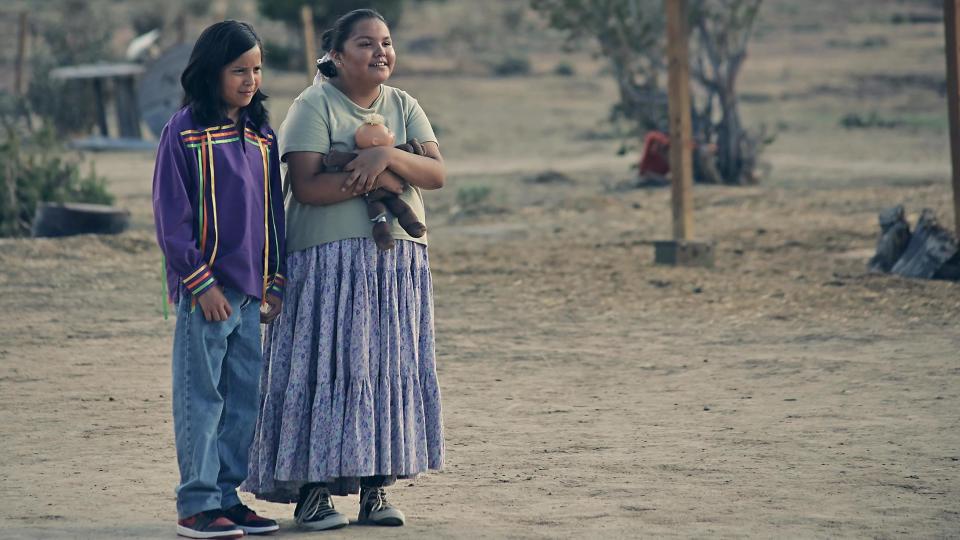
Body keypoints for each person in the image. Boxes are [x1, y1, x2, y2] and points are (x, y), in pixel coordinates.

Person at [242, 8, 445, 531]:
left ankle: (376, 490)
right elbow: (307, 186)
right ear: (335, 55)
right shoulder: (313, 105)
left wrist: (387, 161)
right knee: (324, 368)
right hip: (327, 263)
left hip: (395, 262)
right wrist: (384, 172)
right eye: (365, 44)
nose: (381, 52)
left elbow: (436, 173)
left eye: (386, 42)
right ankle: (313, 493)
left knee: (381, 370)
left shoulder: (405, 104)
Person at [152, 20, 285, 539]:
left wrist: (275, 281)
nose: (250, 80)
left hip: (251, 295)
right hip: (206, 295)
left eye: (256, 69)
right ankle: (197, 505)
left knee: (243, 401)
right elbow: (171, 217)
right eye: (238, 70)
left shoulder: (261, 136)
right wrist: (201, 284)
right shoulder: (182, 131)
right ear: (211, 72)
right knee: (201, 399)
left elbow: (273, 213)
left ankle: (228, 498)